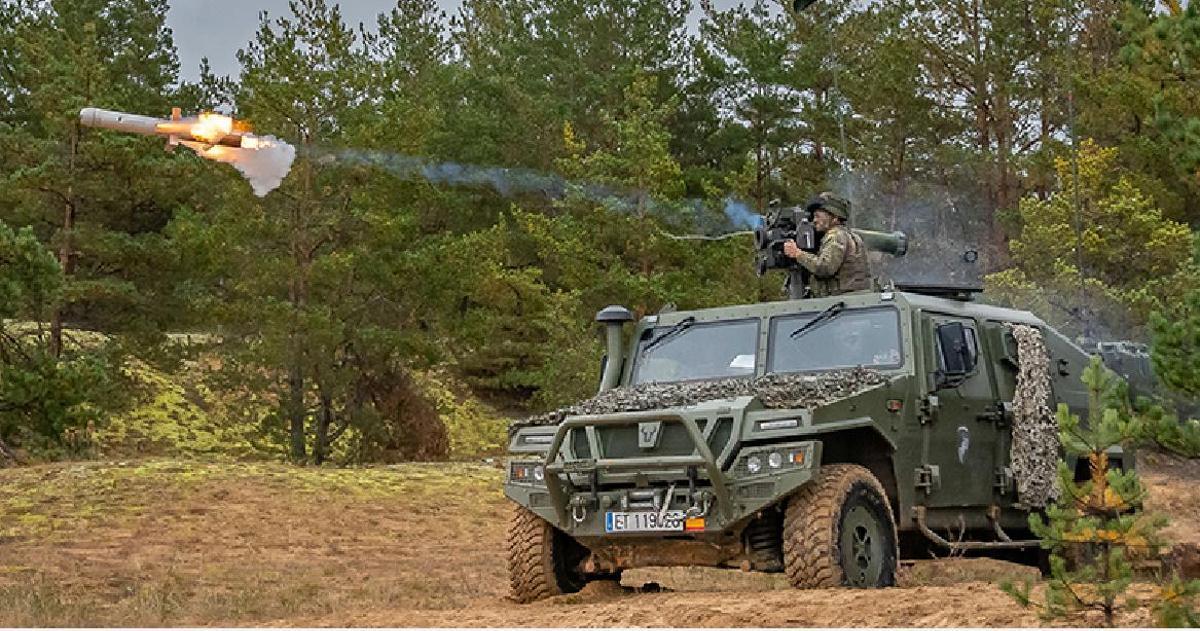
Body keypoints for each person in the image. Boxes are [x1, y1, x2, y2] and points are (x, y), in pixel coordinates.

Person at [782, 192, 871, 298]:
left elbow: (825, 268)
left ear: (834, 218)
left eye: (818, 216)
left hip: (841, 301)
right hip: (851, 300)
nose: (814, 221)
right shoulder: (850, 236)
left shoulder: (835, 236)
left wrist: (797, 253)